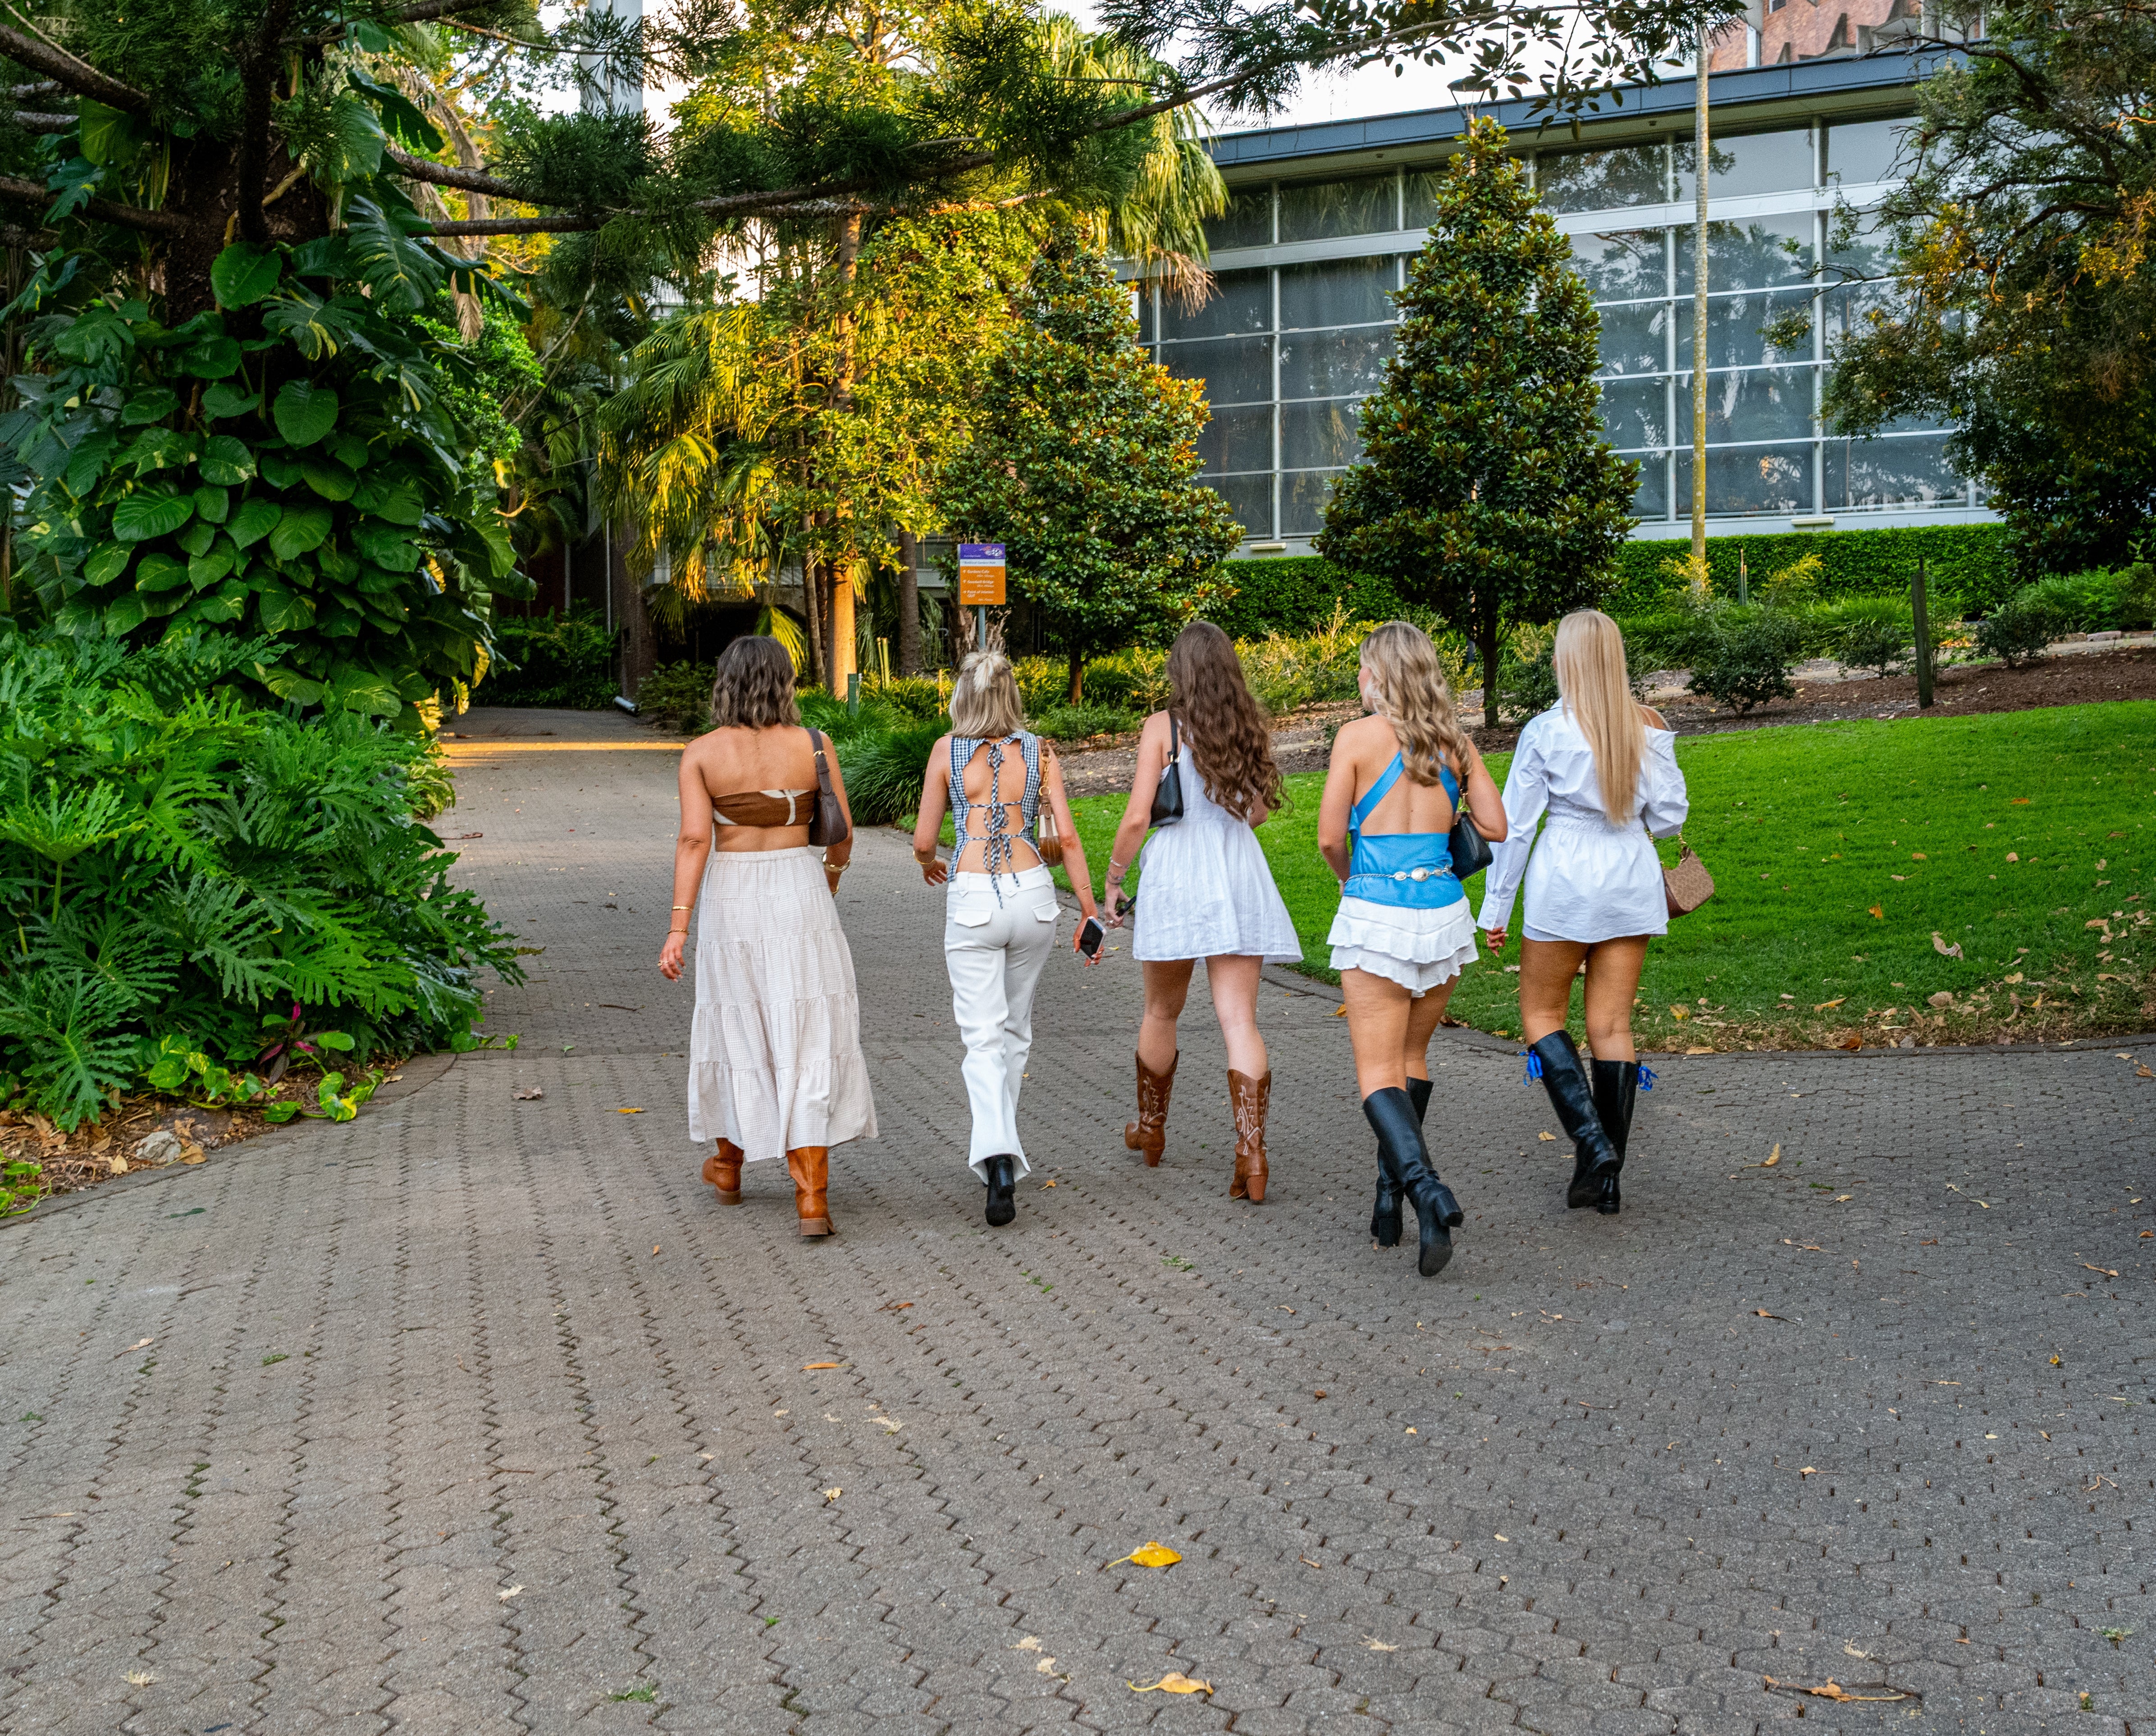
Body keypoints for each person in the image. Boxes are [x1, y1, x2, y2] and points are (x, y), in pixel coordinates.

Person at [658, 635, 877, 1237]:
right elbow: (843, 835)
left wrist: (678, 926)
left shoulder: (701, 754)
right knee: (806, 1030)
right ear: (784, 682)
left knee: (737, 1022)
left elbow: (694, 841)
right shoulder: (815, 746)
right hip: (800, 892)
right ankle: (812, 1200)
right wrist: (826, 882)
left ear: (725, 683)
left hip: (734, 898)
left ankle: (728, 1168)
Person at [1475, 609, 1688, 1216]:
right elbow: (1670, 818)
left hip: (1565, 877)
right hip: (1629, 877)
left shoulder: (1546, 731)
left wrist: (1495, 906)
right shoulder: (1646, 728)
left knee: (1542, 1013)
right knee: (1613, 1027)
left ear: (1566, 660)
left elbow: (1514, 828)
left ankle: (1593, 1146)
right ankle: (1605, 1176)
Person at [1317, 621, 1507, 1277]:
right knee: (1412, 1057)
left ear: (1378, 675)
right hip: (1444, 912)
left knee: (1377, 1074)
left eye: (1363, 670)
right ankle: (1387, 1201)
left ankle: (1427, 1192)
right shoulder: (1456, 743)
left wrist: (1351, 879)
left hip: (1377, 911)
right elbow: (1497, 825)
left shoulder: (1356, 738)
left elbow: (1327, 840)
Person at [1100, 620, 1300, 1201]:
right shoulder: (1244, 726)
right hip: (1237, 868)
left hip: (1177, 874)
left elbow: (1139, 815)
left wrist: (1115, 878)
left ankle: (1151, 1130)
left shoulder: (1162, 728)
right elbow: (1258, 812)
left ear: (1178, 669)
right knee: (1239, 1018)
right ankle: (1251, 1151)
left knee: (1162, 1010)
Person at [912, 650, 1104, 1228]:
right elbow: (1065, 837)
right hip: (1033, 898)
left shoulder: (947, 750)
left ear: (964, 696)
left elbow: (924, 839)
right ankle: (1003, 1150)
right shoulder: (1040, 751)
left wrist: (927, 862)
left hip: (973, 894)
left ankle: (996, 1157)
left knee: (981, 1038)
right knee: (1014, 1030)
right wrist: (1089, 911)